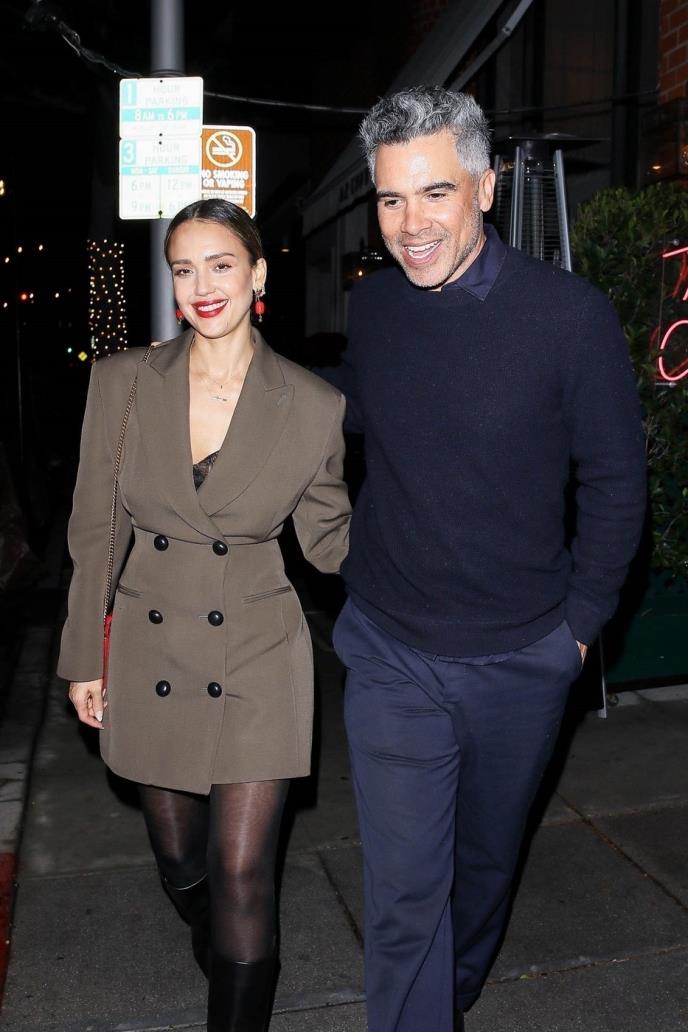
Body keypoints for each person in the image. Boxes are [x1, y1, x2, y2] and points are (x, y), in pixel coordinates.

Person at [324, 86, 647, 1032]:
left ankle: (448, 996)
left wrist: (577, 629)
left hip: (519, 656)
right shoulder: (375, 307)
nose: (410, 224)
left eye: (435, 193)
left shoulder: (568, 318)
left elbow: (616, 481)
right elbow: (361, 409)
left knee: (481, 871)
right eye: (391, 199)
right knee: (404, 900)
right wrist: (240, 383)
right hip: (391, 648)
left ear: (486, 187)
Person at [58, 198, 351, 1032]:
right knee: (182, 858)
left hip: (259, 651)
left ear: (258, 274)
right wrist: (84, 658)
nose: (202, 285)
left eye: (221, 264)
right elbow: (96, 530)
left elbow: (332, 542)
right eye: (183, 269)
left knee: (244, 872)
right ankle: (214, 931)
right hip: (151, 648)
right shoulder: (123, 382)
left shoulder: (312, 405)